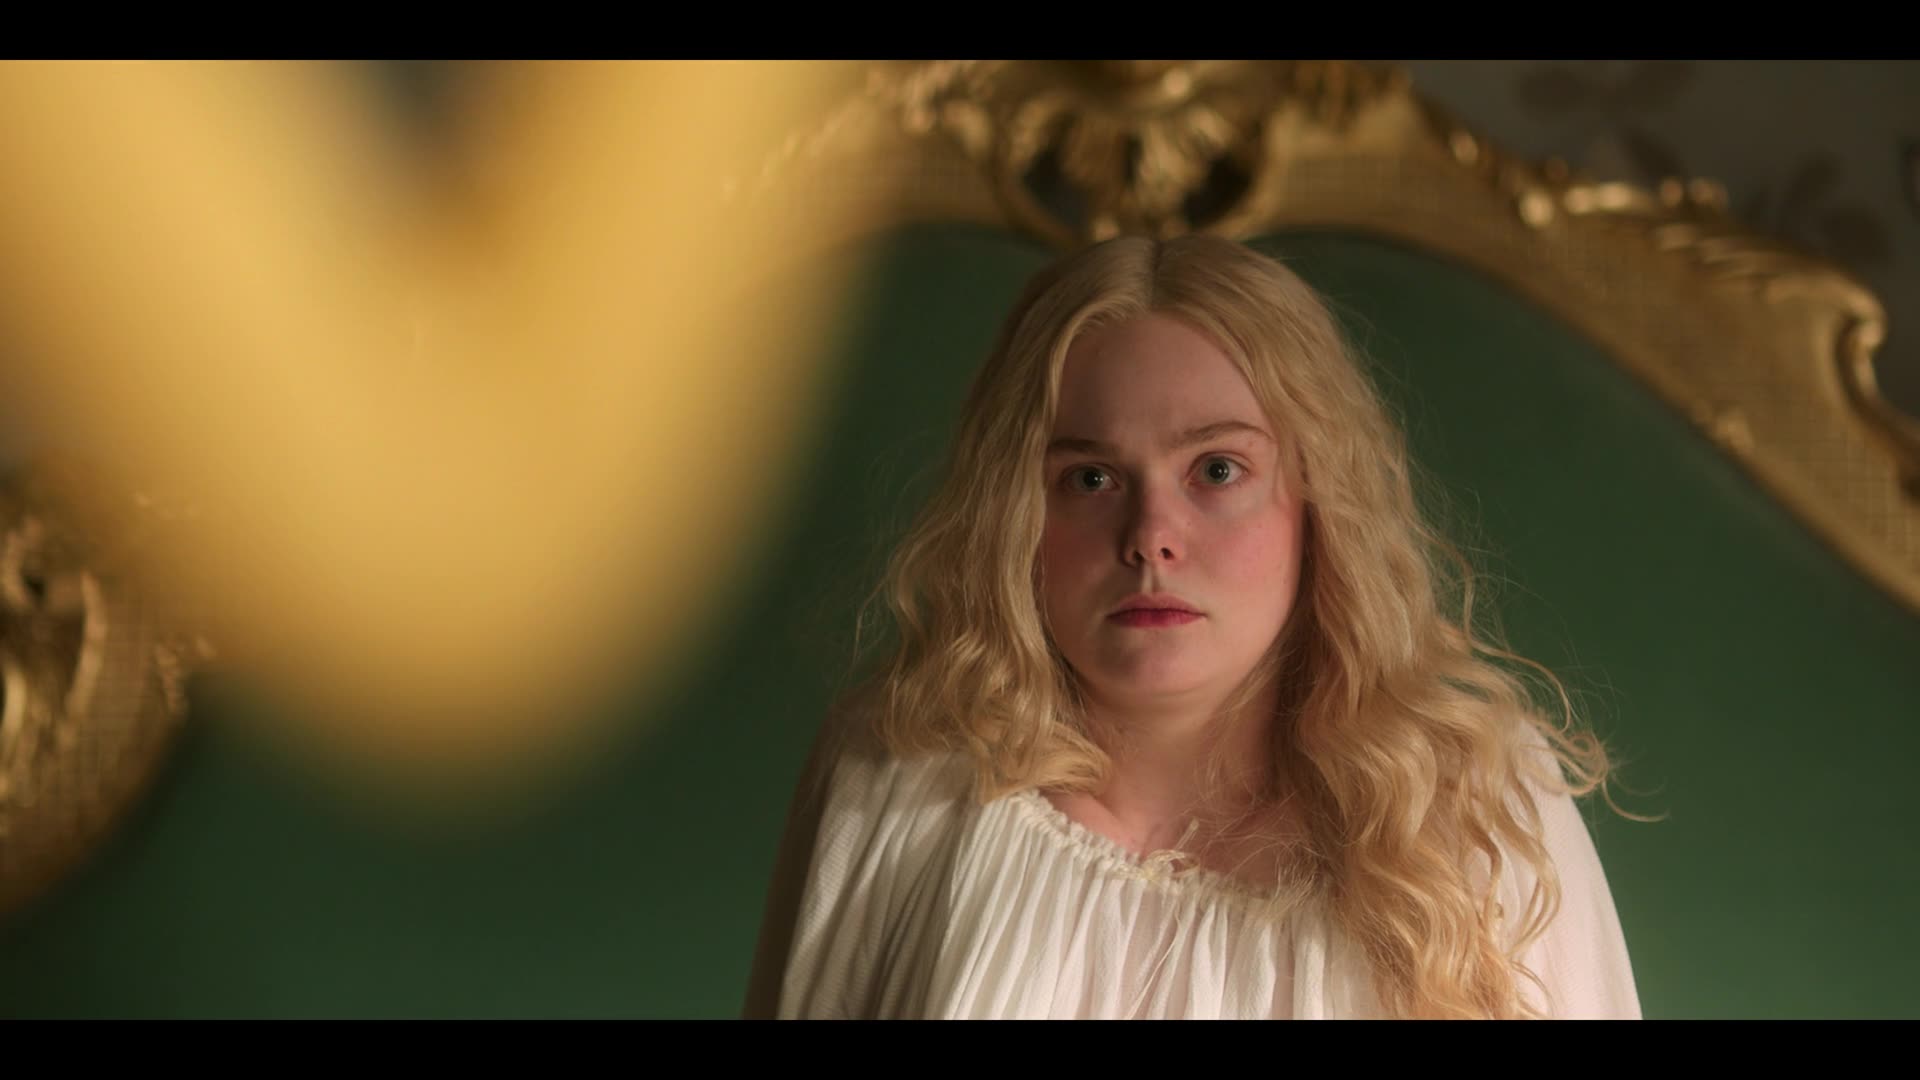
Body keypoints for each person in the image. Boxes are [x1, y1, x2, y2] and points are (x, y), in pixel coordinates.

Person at [742, 233, 1642, 1020]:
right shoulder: (896, 771)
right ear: (1015, 512)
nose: (1150, 538)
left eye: (1216, 470)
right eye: (1091, 479)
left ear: (1318, 499)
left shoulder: (1476, 805)